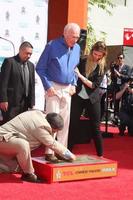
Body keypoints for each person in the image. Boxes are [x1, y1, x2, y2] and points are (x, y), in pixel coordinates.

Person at [36, 22, 81, 162]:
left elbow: (75, 68)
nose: (75, 40)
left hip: (68, 88)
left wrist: (74, 83)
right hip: (53, 87)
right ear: (65, 33)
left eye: (77, 37)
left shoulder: (77, 48)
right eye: (73, 36)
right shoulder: (52, 45)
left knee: (65, 122)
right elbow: (40, 68)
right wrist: (48, 86)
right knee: (52, 121)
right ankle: (49, 151)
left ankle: (62, 151)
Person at [0, 110, 76, 183]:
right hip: (3, 139)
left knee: (13, 168)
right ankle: (28, 174)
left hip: (7, 140)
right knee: (23, 145)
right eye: (55, 131)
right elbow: (52, 143)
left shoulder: (40, 116)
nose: (54, 133)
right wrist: (69, 154)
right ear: (51, 125)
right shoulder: (40, 126)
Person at [68, 41, 107, 157]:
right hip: (78, 96)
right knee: (72, 123)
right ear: (91, 51)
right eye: (95, 54)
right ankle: (68, 151)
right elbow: (73, 74)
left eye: (100, 55)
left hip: (93, 98)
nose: (97, 57)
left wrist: (80, 76)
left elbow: (94, 85)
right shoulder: (83, 60)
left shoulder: (102, 66)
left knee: (95, 127)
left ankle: (100, 154)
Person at [0, 41, 35, 124]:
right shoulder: (9, 62)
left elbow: (32, 85)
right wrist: (3, 99)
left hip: (25, 104)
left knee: (21, 127)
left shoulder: (31, 65)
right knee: (9, 126)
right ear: (20, 51)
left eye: (30, 54)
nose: (29, 56)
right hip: (11, 103)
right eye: (27, 53)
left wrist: (32, 102)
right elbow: (3, 83)